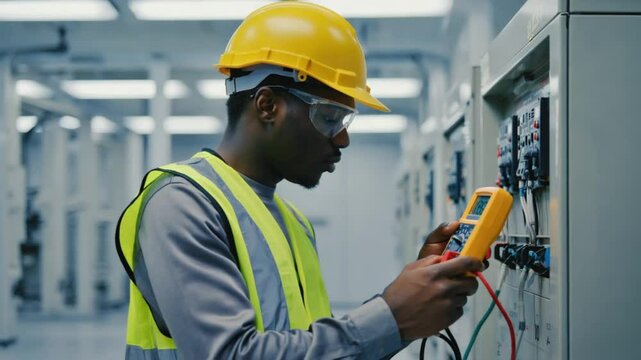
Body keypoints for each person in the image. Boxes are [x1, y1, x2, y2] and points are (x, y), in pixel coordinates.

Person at [115, 2, 483, 359]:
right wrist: (393, 316)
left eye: (344, 122)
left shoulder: (294, 223)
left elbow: (310, 346)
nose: (342, 139)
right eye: (329, 117)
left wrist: (409, 307)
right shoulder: (181, 205)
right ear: (267, 105)